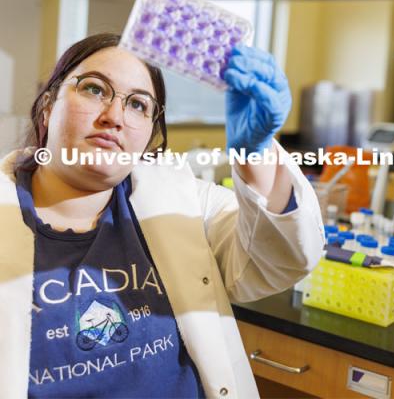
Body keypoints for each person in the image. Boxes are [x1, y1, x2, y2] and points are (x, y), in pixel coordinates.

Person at [0, 33, 323, 398]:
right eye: (94, 89)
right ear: (47, 106)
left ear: (151, 133)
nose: (114, 116)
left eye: (138, 104)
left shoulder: (182, 199)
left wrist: (255, 156)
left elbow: (280, 260)